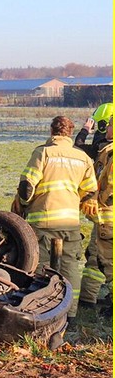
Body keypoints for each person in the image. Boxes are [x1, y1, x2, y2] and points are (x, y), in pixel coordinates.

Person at [17, 115, 98, 320]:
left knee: (41, 267)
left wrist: (22, 205)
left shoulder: (43, 153)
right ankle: (70, 313)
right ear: (70, 133)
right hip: (70, 222)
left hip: (43, 221)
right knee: (70, 266)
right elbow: (90, 191)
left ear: (52, 131)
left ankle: (40, 312)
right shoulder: (82, 157)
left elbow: (26, 187)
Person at [80, 116, 113, 311]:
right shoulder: (106, 150)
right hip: (103, 218)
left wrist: (97, 200)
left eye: (110, 126)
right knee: (95, 256)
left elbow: (111, 186)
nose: (107, 129)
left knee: (106, 262)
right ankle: (87, 299)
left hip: (108, 217)